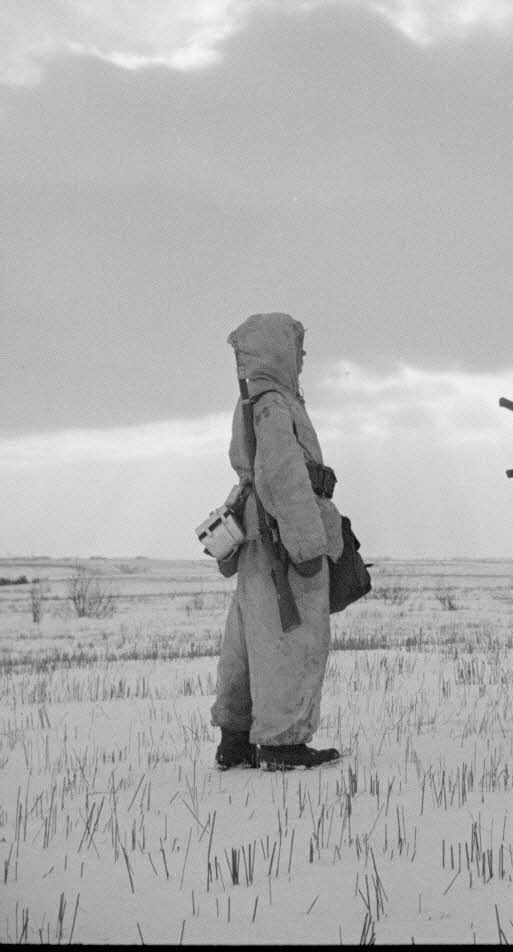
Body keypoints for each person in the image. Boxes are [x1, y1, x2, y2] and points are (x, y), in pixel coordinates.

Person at [210, 312, 346, 771]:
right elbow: (282, 476)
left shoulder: (254, 400)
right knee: (292, 640)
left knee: (251, 640)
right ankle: (283, 744)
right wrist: (306, 546)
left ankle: (236, 741)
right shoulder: (274, 404)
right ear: (278, 349)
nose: (302, 356)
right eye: (297, 346)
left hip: (259, 532)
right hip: (281, 537)